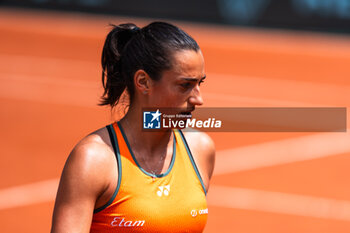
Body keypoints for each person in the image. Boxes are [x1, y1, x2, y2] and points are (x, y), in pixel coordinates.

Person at [51, 21, 215, 233]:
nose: (198, 99)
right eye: (185, 85)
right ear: (143, 82)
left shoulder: (200, 149)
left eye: (200, 83)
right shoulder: (94, 160)